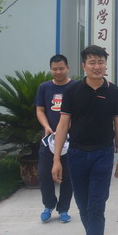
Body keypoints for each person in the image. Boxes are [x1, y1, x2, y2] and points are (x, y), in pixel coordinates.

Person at [51, 45, 118, 235]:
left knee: (96, 206)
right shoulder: (73, 91)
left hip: (103, 154)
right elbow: (63, 125)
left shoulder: (114, 91)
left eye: (101, 62)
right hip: (76, 154)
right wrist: (56, 159)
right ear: (84, 66)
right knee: (83, 206)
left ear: (105, 65)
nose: (97, 66)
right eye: (92, 62)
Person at [35, 54, 75, 223]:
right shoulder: (44, 87)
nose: (58, 72)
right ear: (50, 69)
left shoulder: (75, 87)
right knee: (44, 173)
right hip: (49, 138)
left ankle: (64, 208)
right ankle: (48, 205)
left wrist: (68, 128)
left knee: (68, 176)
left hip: (70, 139)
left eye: (61, 68)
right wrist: (46, 126)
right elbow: (40, 110)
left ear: (68, 68)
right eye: (54, 69)